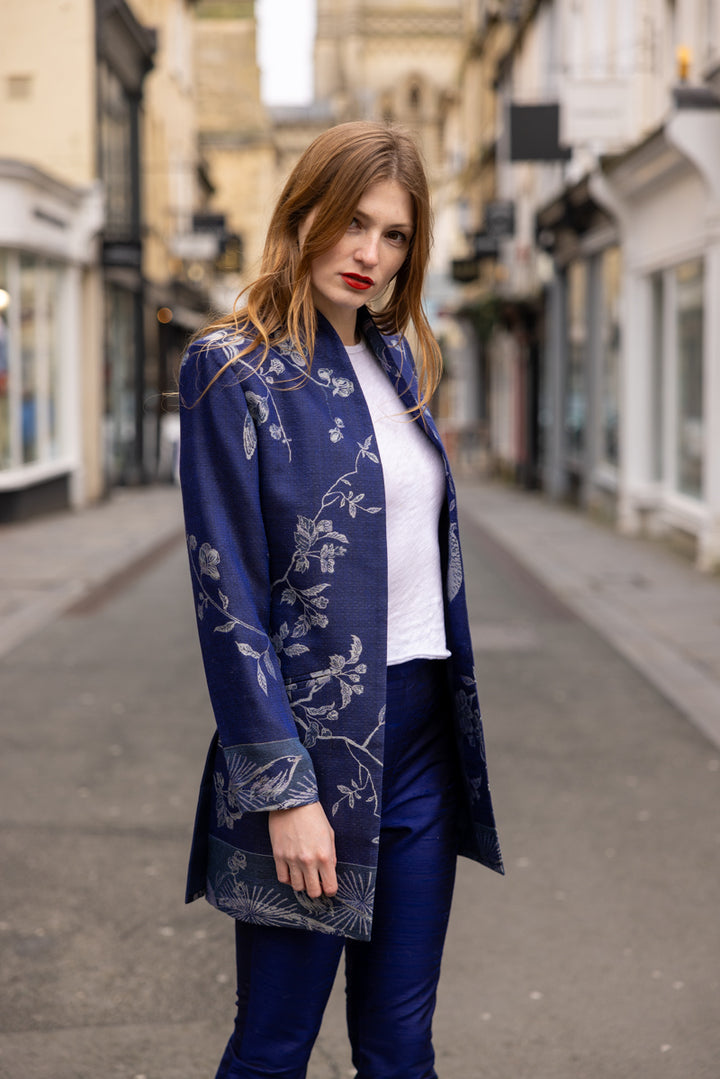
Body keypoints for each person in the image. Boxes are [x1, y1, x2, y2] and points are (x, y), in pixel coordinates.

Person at [178, 120, 503, 1079]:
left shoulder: (401, 363)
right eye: (353, 222)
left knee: (401, 1050)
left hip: (423, 742)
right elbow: (224, 594)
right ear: (304, 213)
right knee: (274, 1048)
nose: (371, 253)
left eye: (396, 234)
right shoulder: (233, 369)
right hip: (312, 749)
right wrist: (284, 792)